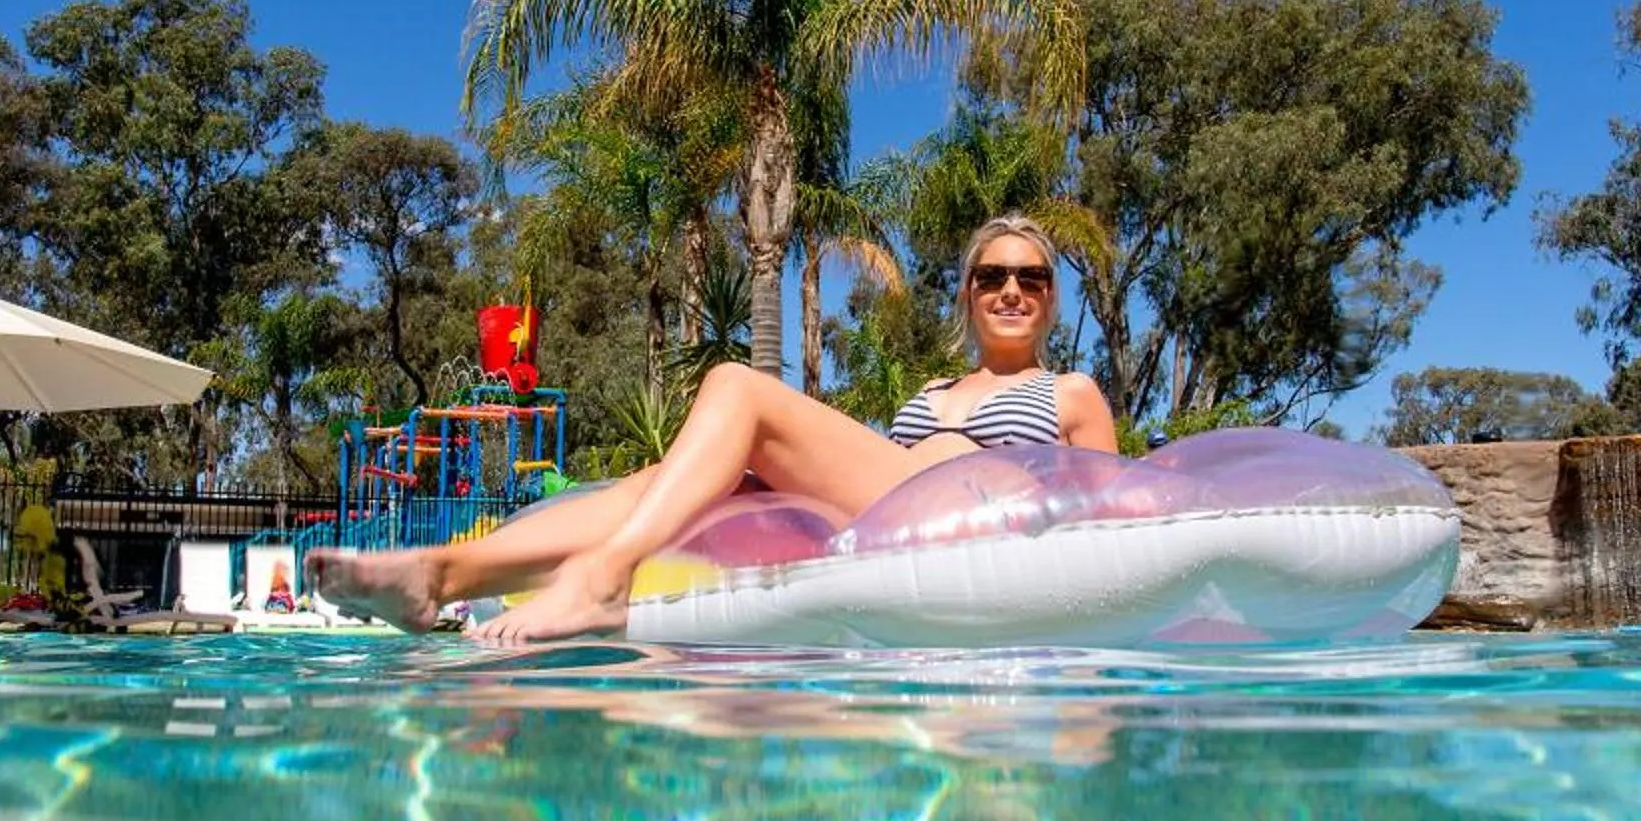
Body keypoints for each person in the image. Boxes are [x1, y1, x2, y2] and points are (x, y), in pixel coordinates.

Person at [313, 214, 1120, 644]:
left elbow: (1123, 521)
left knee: (738, 387)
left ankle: (608, 573)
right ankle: (444, 577)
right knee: (665, 481)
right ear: (969, 292)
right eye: (992, 275)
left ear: (1050, 298)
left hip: (980, 524)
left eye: (1031, 278)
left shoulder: (1071, 392)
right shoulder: (930, 390)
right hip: (890, 525)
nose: (1010, 289)